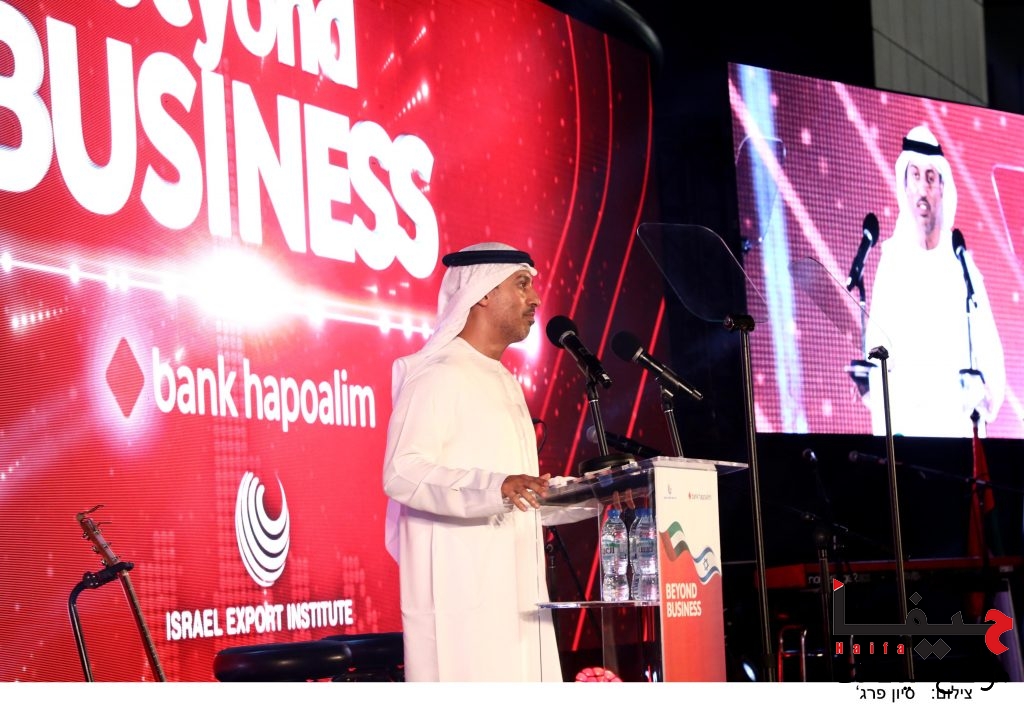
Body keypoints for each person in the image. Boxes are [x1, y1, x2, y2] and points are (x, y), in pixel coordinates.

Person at [382, 242, 568, 681]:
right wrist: (495, 487)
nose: (535, 299)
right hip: (461, 608)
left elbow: (517, 492)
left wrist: (591, 495)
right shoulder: (437, 375)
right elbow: (402, 472)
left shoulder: (504, 381)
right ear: (483, 292)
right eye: (522, 284)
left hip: (517, 600)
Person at [866, 125, 1005, 438]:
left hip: (957, 435)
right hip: (908, 439)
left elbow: (991, 356)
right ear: (904, 185)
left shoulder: (961, 265)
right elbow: (876, 355)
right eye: (915, 176)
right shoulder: (892, 264)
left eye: (930, 177)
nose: (922, 188)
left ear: (942, 187)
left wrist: (983, 390)